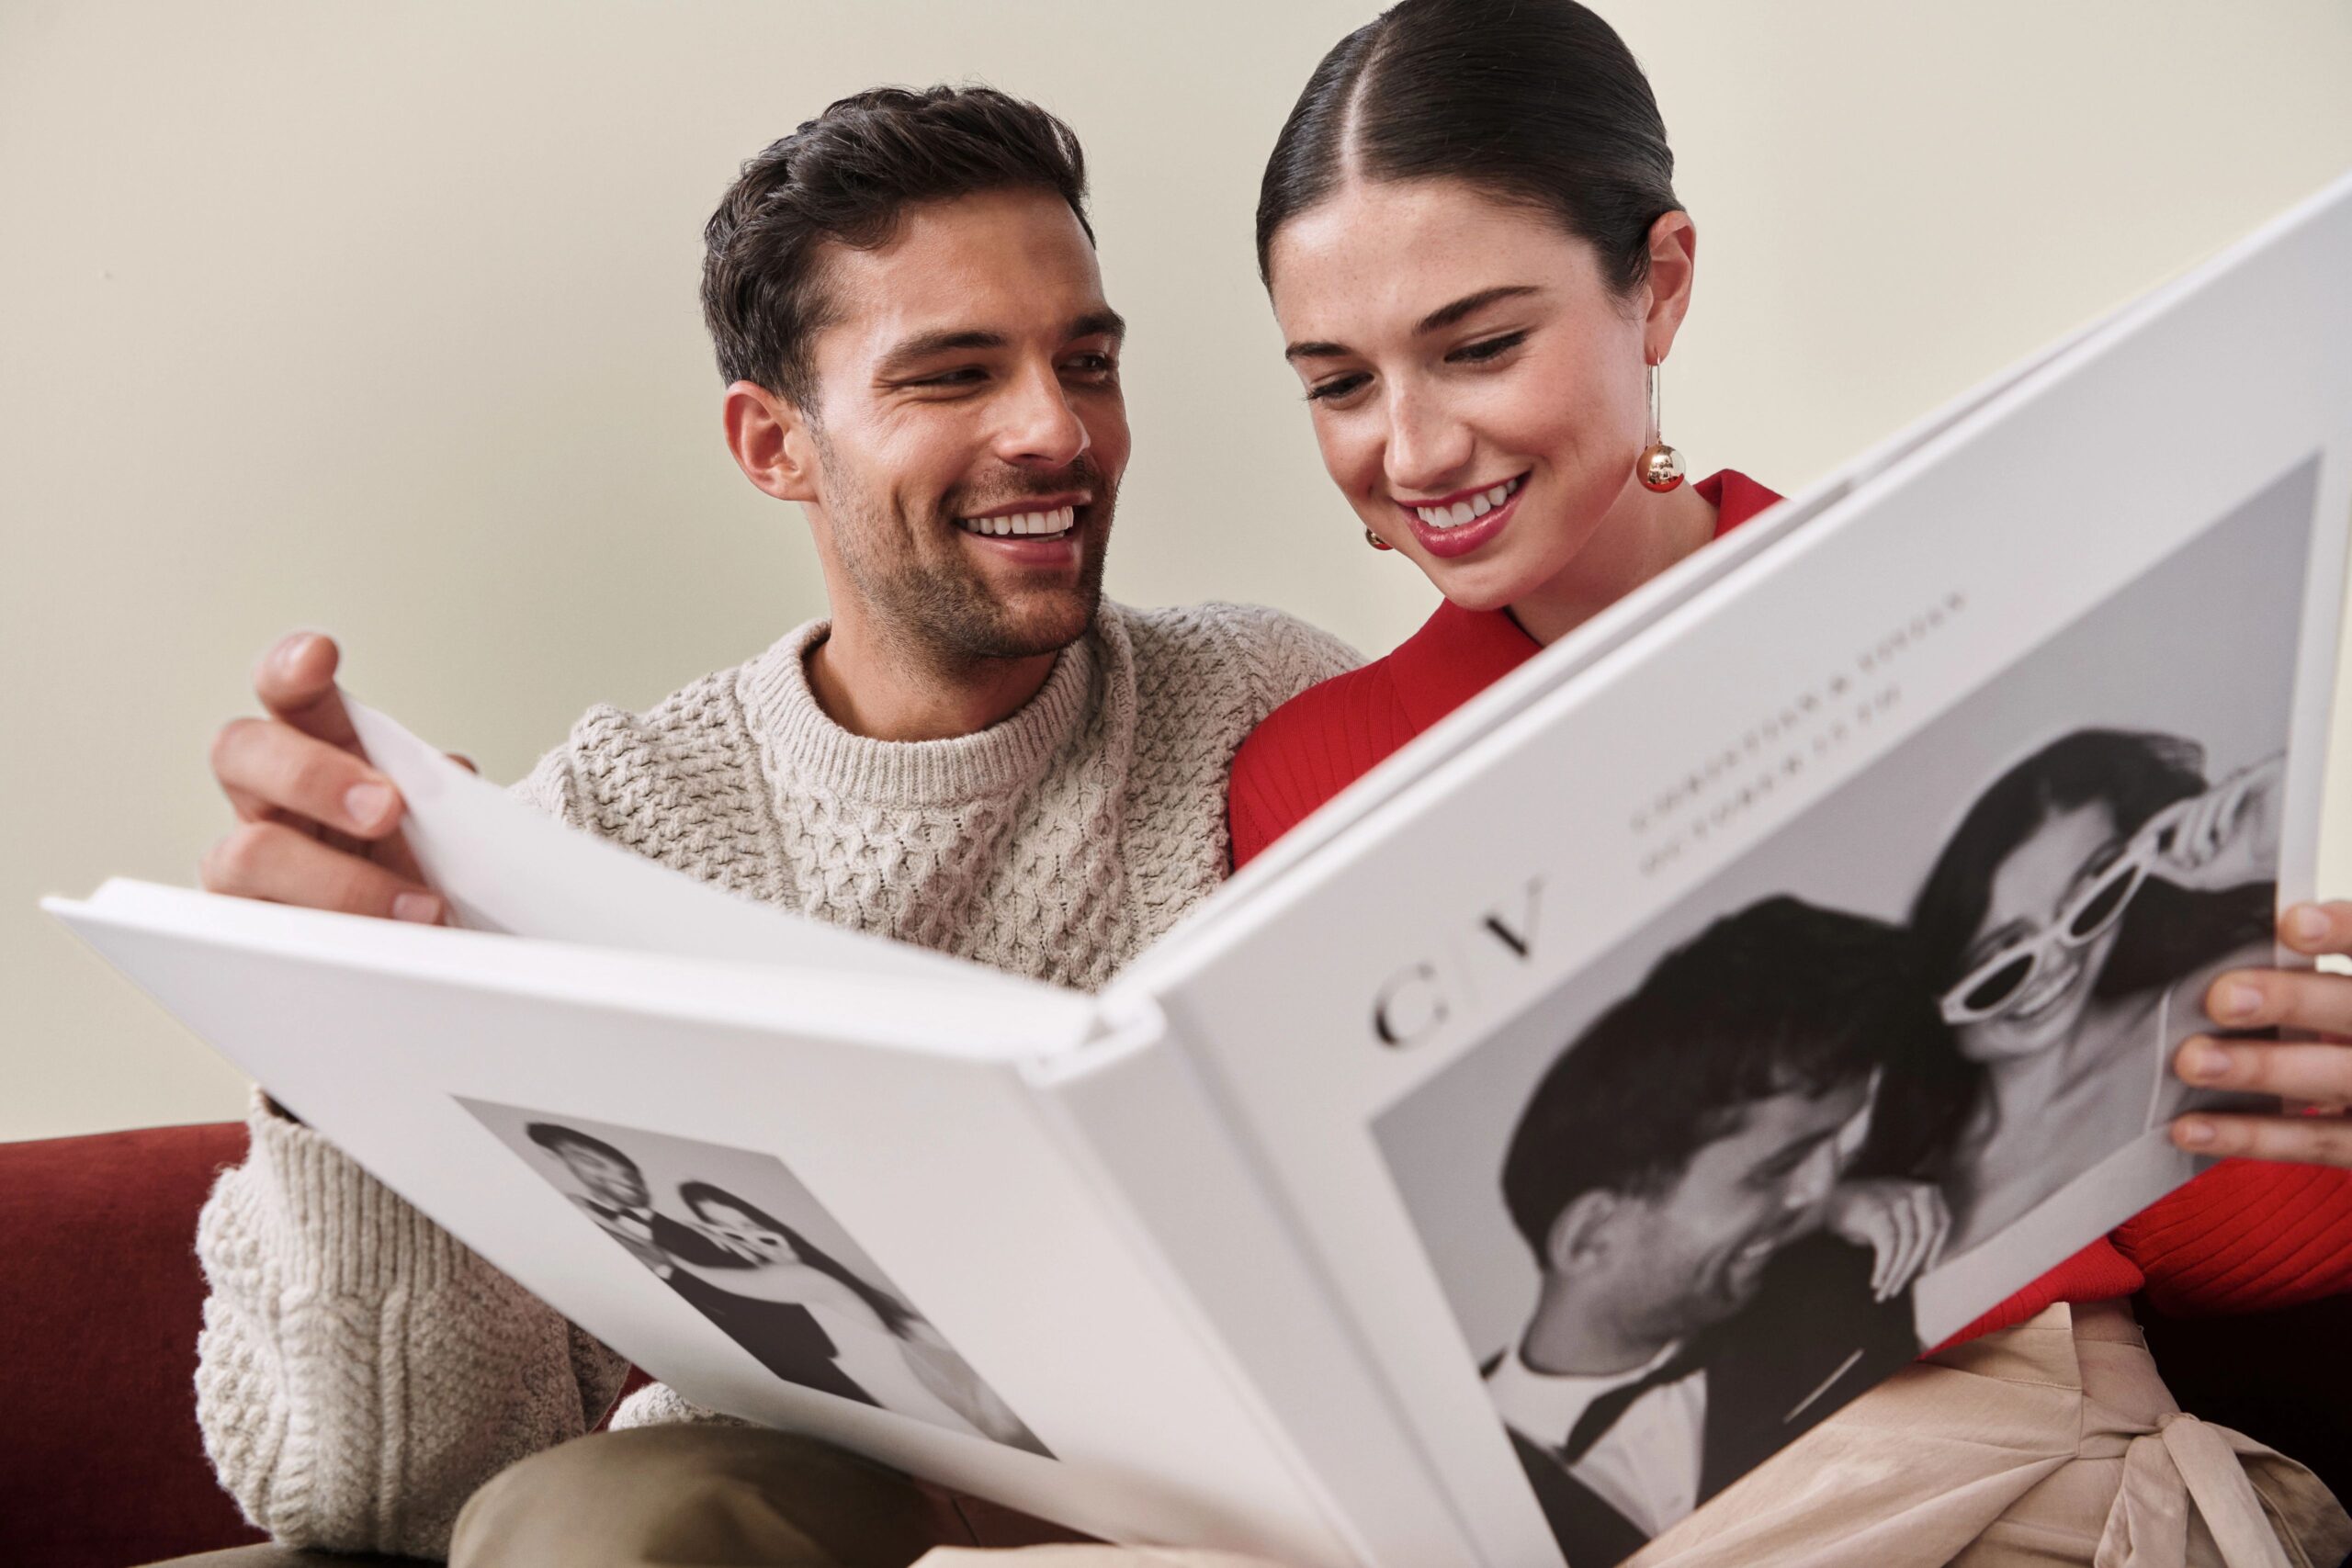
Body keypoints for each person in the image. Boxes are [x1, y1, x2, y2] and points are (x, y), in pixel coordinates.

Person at [1229, 0, 2352, 1562]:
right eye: (1338, 384)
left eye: (1480, 347)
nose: (1413, 449)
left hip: (2002, 1456)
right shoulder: (1308, 776)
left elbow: (2257, 1256)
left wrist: (2262, 1060)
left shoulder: (1959, 630)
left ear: (1659, 287)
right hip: (1581, 1488)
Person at [189, 85, 1352, 1566]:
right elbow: (387, 1495)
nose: (1055, 429)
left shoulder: (1267, 698)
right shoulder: (611, 825)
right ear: (771, 443)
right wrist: (334, 1052)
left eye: (1087, 360)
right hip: (779, 1515)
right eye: (953, 375)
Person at [1489, 897, 1928, 1565]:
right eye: (1777, 1167)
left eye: (1833, 1148)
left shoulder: (1851, 1284)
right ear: (1590, 1234)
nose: (1820, 1187)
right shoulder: (1438, 1486)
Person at [1906, 733, 2285, 1256]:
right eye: (2002, 958)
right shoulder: (1896, 1168)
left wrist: (2280, 833)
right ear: (1936, 986)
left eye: (2089, 902)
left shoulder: (2210, 1010)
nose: (2059, 960)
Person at [663, 1182, 1050, 1455]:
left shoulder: (805, 1278)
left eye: (746, 1225)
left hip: (930, 1420)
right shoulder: (812, 1278)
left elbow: (713, 1279)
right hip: (922, 1418)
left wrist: (668, 1241)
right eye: (724, 1228)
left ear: (769, 1226)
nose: (739, 1237)